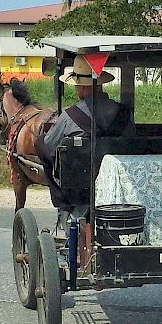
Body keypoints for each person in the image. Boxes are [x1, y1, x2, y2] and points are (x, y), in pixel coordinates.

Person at [36, 55, 134, 216]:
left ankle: (63, 203)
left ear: (81, 88)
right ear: (101, 84)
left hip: (81, 185)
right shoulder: (125, 113)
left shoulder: (69, 116)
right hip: (120, 176)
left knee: (40, 144)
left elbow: (50, 144)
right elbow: (132, 141)